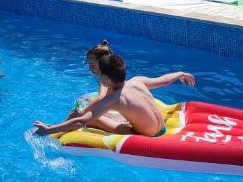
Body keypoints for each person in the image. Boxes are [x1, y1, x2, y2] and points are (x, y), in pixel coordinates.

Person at [34, 53, 196, 138]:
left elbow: (81, 121)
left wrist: (49, 129)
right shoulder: (137, 81)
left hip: (146, 136)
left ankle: (54, 135)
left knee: (87, 116)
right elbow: (162, 81)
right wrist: (180, 73)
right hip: (162, 128)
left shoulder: (114, 100)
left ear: (105, 78)